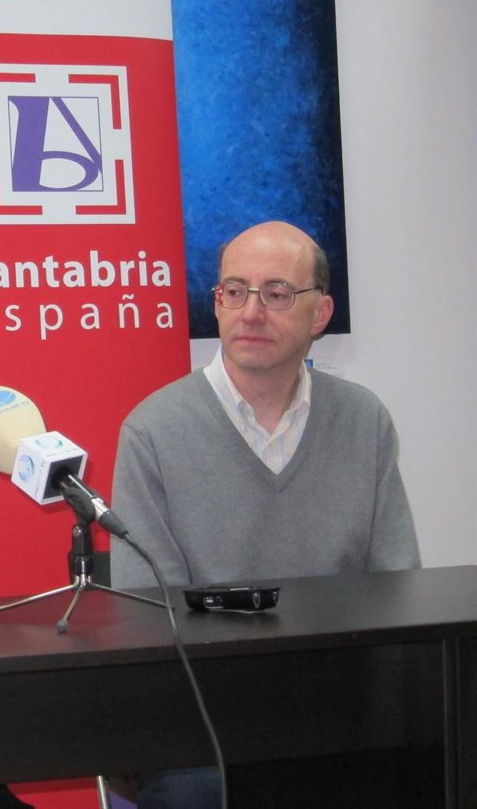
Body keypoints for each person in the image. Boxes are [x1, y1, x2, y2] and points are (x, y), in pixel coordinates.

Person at [108, 220, 420, 809]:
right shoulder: (153, 430)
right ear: (217, 304)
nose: (251, 312)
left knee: (434, 755)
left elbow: (396, 586)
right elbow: (149, 612)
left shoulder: (363, 420)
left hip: (339, 699)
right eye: (234, 291)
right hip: (207, 712)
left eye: (276, 293)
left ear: (320, 313)